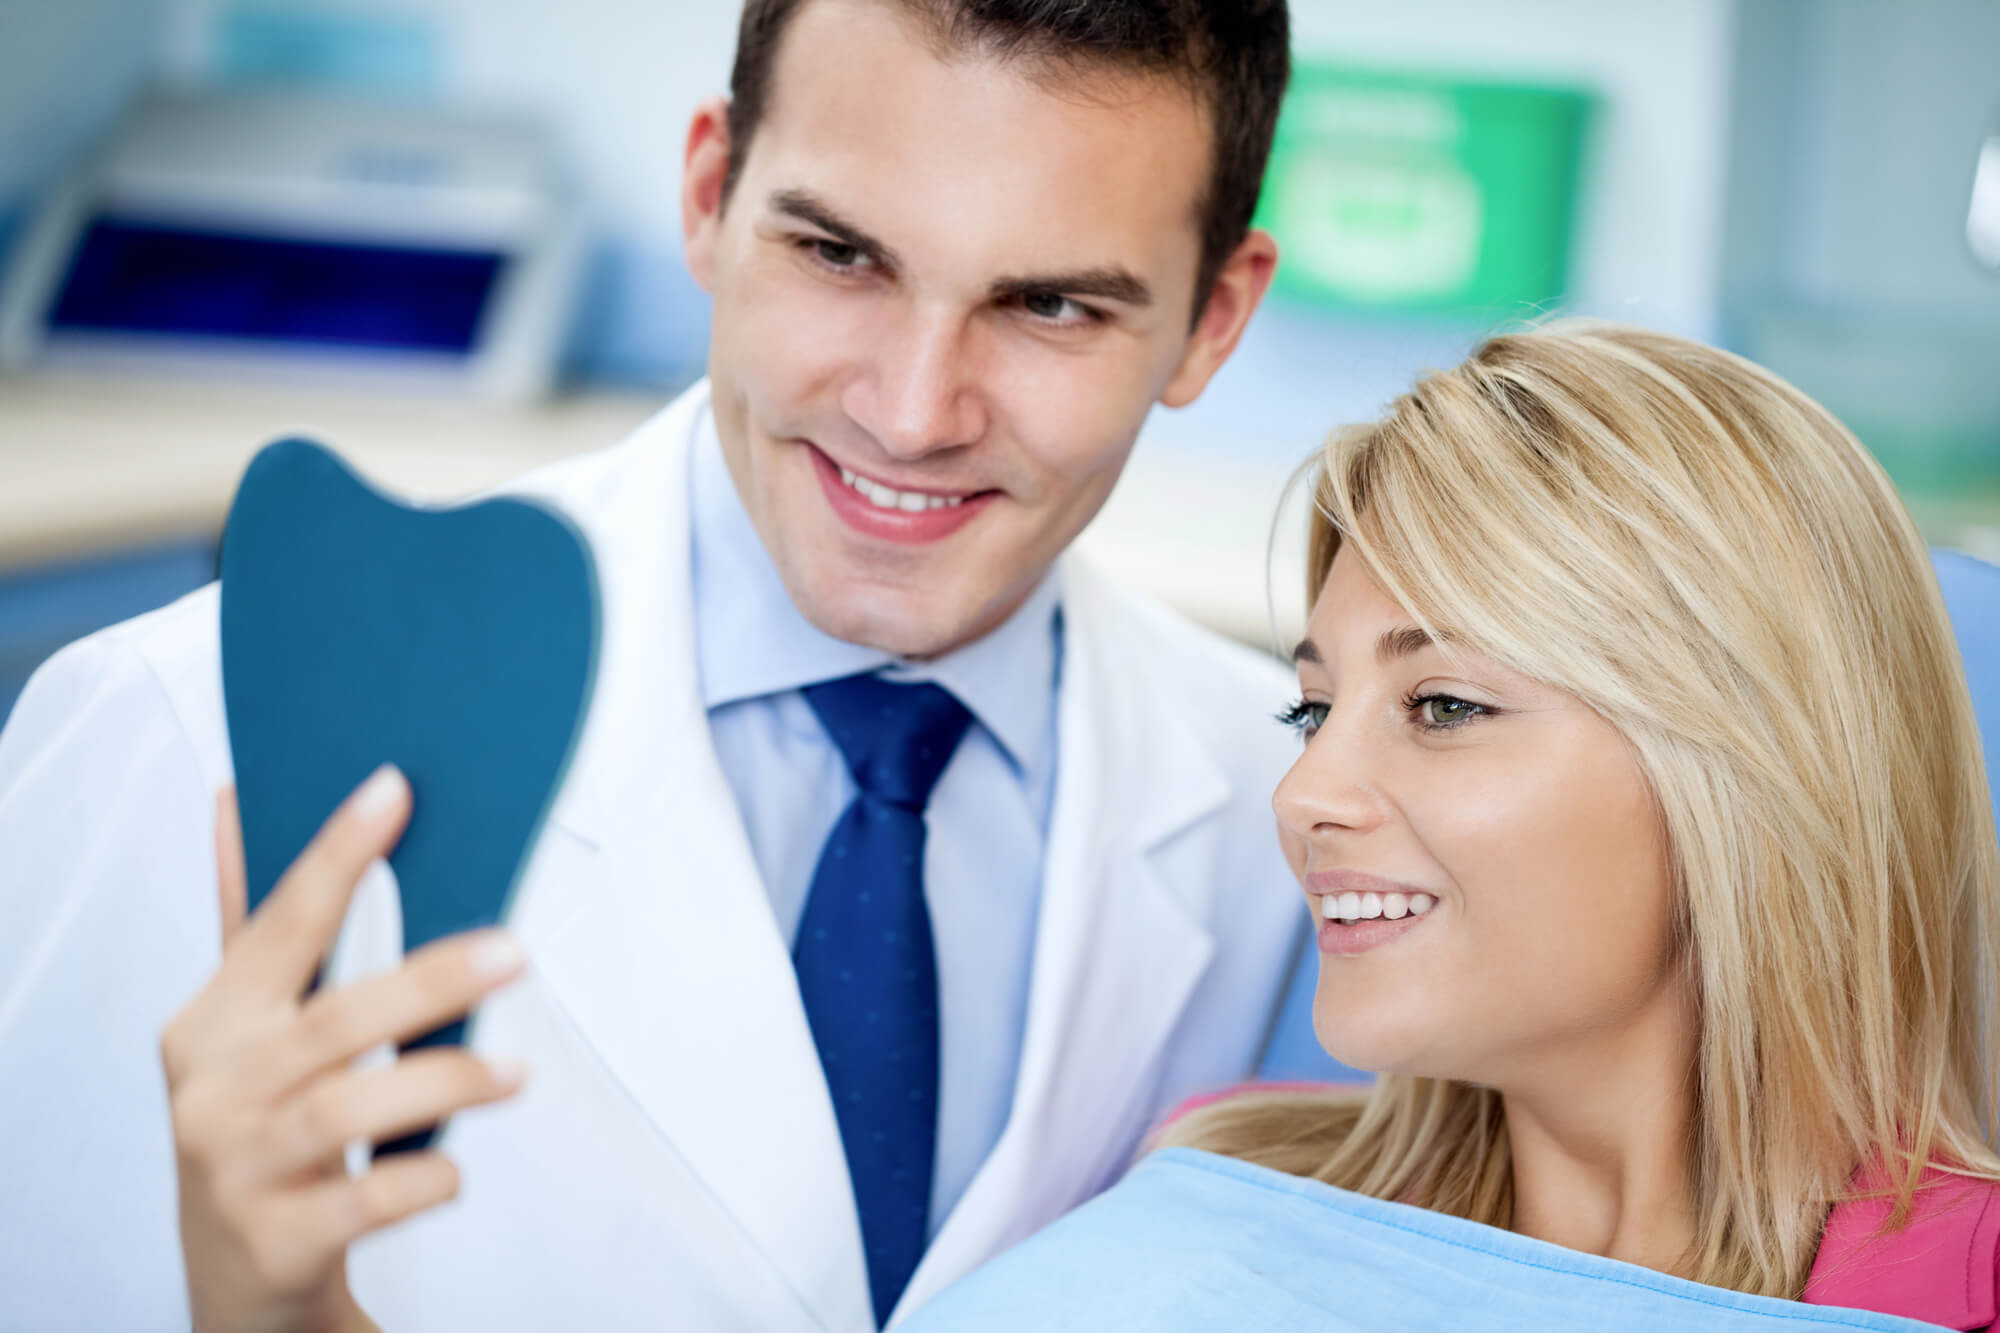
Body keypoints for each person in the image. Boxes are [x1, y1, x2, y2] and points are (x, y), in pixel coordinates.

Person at [0, 3, 1306, 1330]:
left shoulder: (1291, 816)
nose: (912, 414)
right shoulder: (180, 735)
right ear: (708, 197)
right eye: (840, 254)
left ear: (1213, 317)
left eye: (1049, 304)